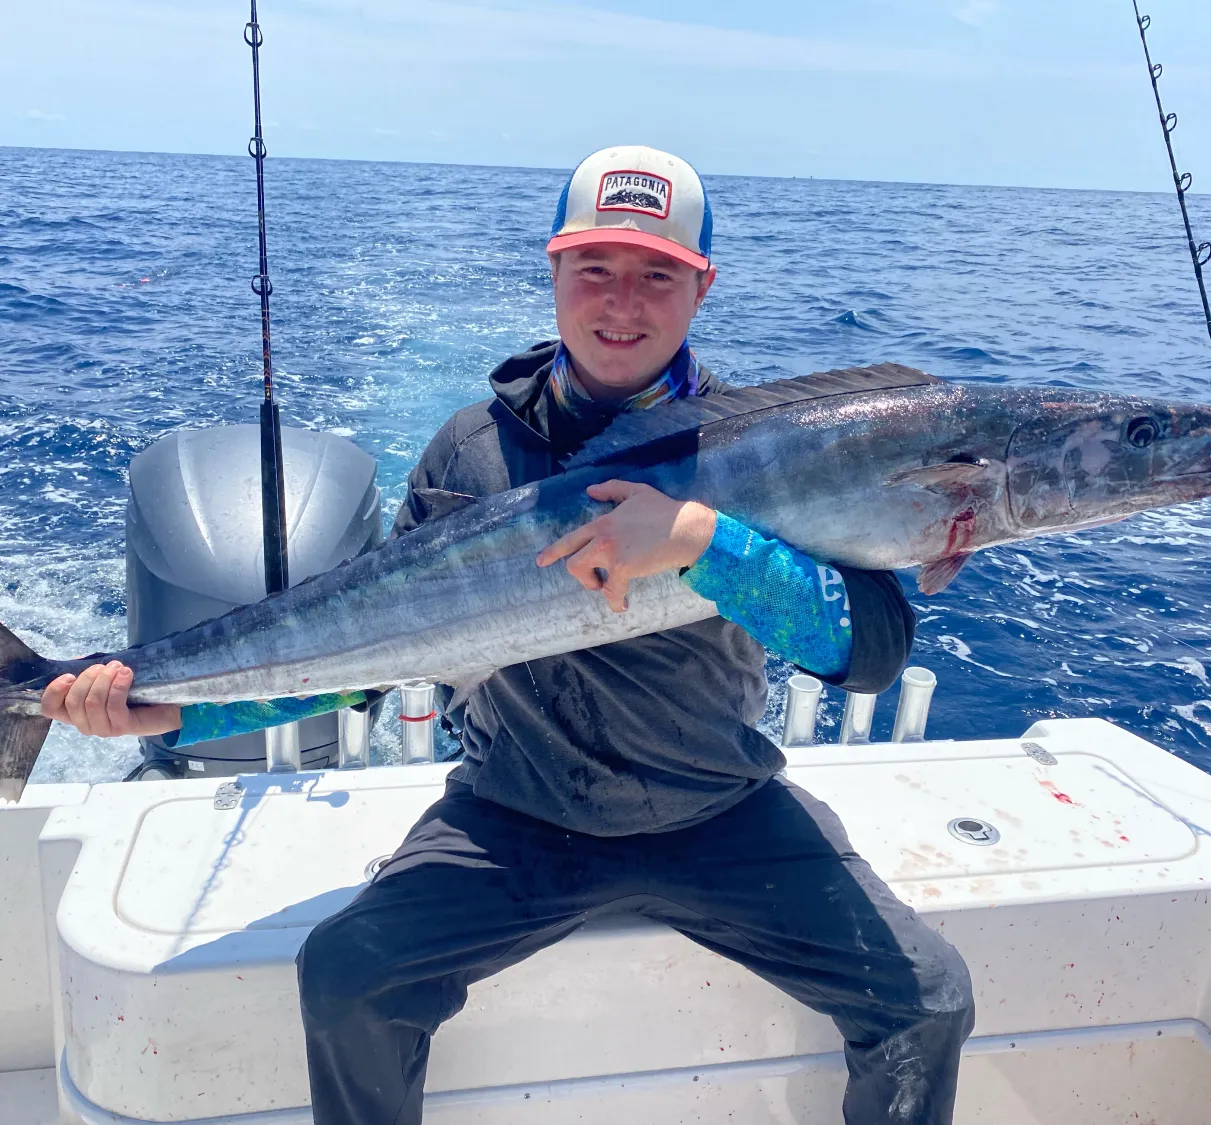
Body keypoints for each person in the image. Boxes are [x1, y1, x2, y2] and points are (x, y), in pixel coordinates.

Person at [41, 145, 974, 1124]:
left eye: (657, 274)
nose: (622, 303)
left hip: (719, 809)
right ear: (554, 272)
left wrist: (703, 542)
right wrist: (163, 704)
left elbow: (866, 653)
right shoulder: (468, 453)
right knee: (349, 978)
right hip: (515, 811)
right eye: (595, 270)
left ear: (701, 287)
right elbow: (362, 652)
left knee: (925, 1002)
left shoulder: (771, 449)